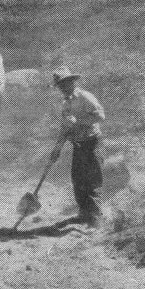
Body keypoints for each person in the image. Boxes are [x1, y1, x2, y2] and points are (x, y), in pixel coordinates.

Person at [49, 66, 106, 226]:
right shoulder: (66, 103)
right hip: (78, 145)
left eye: (65, 84)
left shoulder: (85, 97)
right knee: (78, 181)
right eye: (60, 85)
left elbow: (101, 116)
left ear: (72, 82)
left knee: (92, 181)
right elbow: (65, 128)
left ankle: (95, 219)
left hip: (92, 144)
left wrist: (78, 121)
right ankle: (84, 215)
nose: (62, 88)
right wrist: (57, 148)